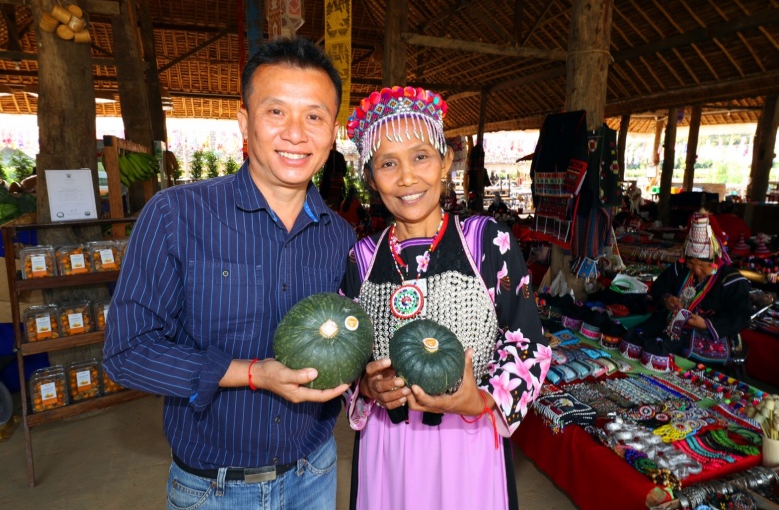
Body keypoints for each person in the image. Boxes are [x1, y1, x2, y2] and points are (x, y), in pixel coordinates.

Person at [103, 37, 356, 510]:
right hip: (213, 490)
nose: (296, 133)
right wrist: (254, 374)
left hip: (315, 474)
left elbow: (350, 343)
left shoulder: (340, 238)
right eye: (276, 111)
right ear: (245, 121)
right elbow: (127, 352)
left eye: (314, 116)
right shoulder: (175, 216)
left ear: (332, 131)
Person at [341, 86, 551, 510]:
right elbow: (344, 359)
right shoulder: (362, 259)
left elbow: (530, 344)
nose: (406, 178)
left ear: (445, 162)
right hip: (388, 449)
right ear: (370, 176)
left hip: (467, 444)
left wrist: (482, 398)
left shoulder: (486, 243)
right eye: (387, 163)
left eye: (421, 156)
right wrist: (365, 385)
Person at [622, 211, 751, 371]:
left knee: (661, 350)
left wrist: (707, 324)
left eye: (701, 266)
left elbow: (741, 315)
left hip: (704, 334)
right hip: (668, 323)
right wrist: (666, 298)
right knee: (634, 338)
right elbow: (658, 287)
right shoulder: (680, 268)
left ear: (715, 261)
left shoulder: (731, 280)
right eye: (691, 264)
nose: (695, 270)